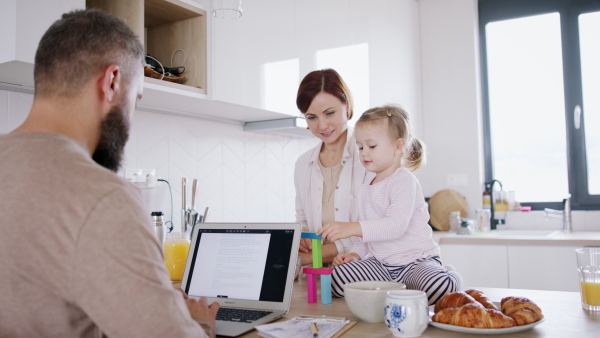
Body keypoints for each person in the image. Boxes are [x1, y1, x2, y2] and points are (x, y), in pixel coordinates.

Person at [0, 9, 218, 337]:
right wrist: (199, 321)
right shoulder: (103, 197)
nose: (133, 115)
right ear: (112, 82)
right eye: (137, 98)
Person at [317, 105, 462, 305]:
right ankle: (398, 291)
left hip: (416, 262)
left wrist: (351, 227)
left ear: (398, 146)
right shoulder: (366, 188)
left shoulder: (404, 181)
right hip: (381, 265)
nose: (364, 153)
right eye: (360, 147)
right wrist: (354, 255)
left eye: (372, 146)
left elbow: (396, 225)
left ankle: (449, 274)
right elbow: (365, 238)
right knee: (336, 279)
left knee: (438, 287)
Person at [294, 69, 375, 266]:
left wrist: (311, 257)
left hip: (363, 271)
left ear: (346, 105)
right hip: (318, 272)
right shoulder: (303, 164)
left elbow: (374, 230)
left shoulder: (370, 156)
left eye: (329, 113)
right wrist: (302, 235)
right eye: (311, 117)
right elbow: (302, 219)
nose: (322, 125)